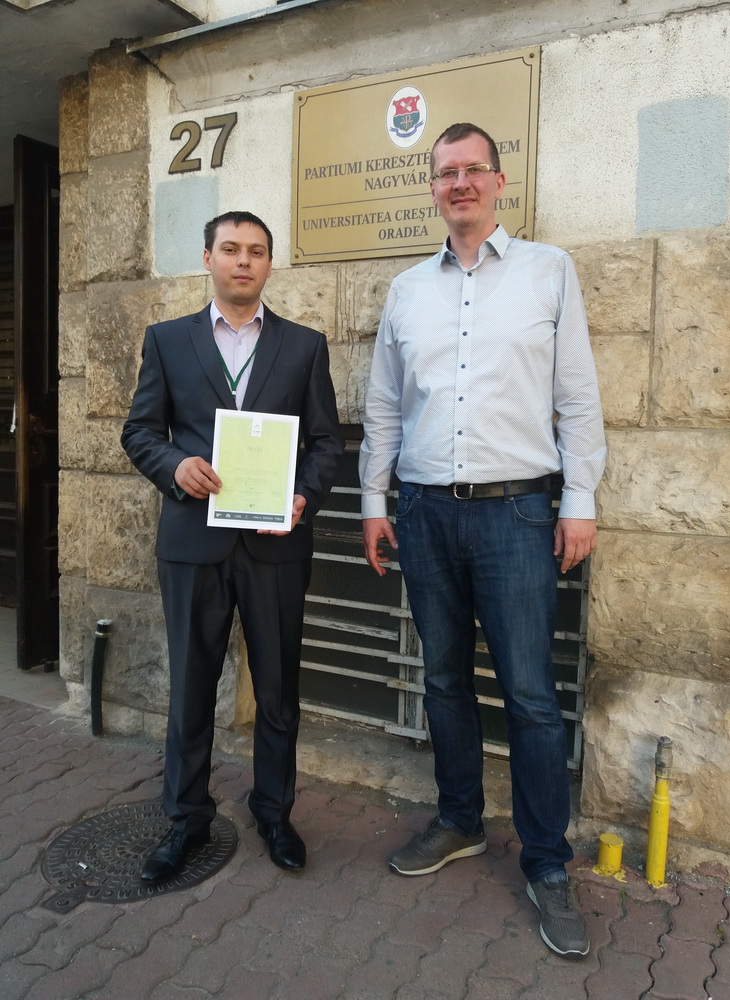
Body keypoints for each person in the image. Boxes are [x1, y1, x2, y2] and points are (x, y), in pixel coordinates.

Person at [360, 124, 605, 957]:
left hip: (517, 514)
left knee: (530, 694)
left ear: (499, 181)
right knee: (442, 679)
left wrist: (580, 500)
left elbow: (576, 396)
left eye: (473, 170)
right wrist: (373, 500)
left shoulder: (549, 270)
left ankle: (546, 863)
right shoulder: (406, 291)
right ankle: (460, 818)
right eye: (445, 173)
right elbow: (385, 404)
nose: (459, 183)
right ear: (432, 188)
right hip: (425, 513)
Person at [122, 211, 344, 881]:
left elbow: (326, 442)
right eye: (230, 249)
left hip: (276, 545)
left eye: (256, 251)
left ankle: (274, 812)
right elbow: (140, 432)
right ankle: (187, 820)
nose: (243, 260)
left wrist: (302, 496)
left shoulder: (304, 346)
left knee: (277, 689)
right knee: (191, 687)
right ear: (208, 258)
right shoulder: (167, 340)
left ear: (269, 264)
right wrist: (174, 466)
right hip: (193, 542)